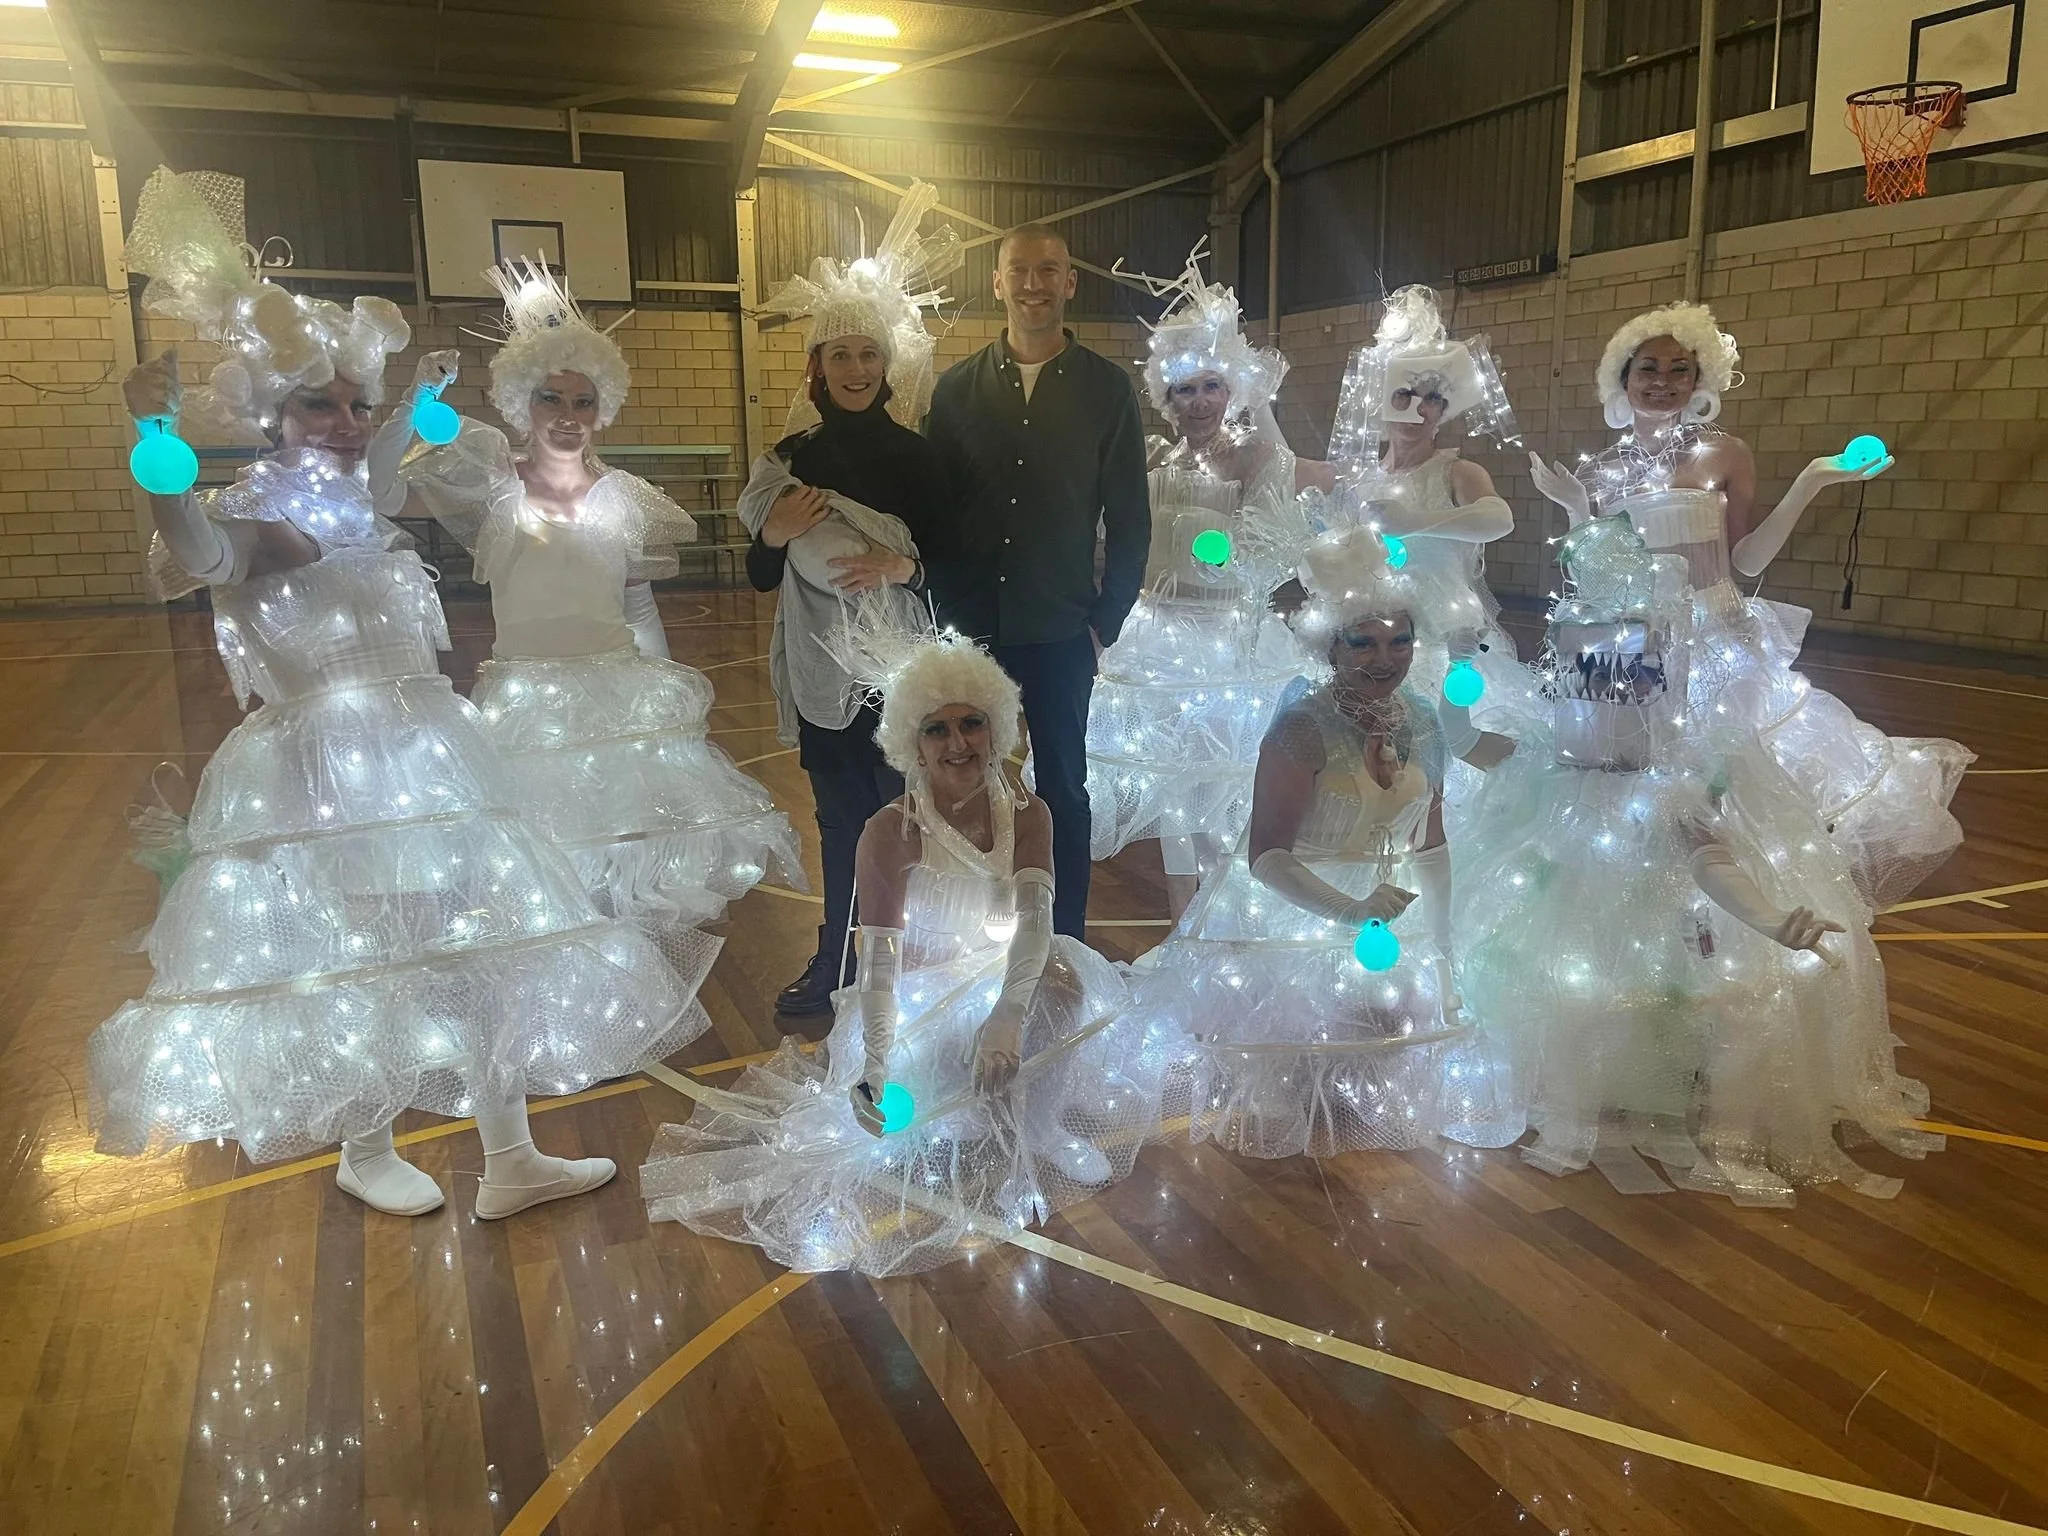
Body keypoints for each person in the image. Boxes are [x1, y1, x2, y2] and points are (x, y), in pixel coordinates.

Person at [88, 167, 691, 1218]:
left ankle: (510, 1157)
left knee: (478, 945)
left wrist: (407, 402)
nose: (337, 418)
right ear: (275, 411)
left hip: (425, 748)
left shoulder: (364, 506)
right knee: (356, 958)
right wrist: (153, 447)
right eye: (316, 402)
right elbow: (201, 553)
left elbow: (376, 473)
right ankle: (365, 1146)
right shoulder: (256, 510)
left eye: (350, 403)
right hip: (319, 770)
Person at [640, 609, 1156, 1276]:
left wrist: (1007, 1013)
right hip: (917, 1005)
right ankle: (965, 1113)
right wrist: (876, 1065)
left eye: (972, 722)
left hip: (1005, 978)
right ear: (911, 744)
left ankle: (1039, 1125)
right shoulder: (891, 831)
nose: (958, 743)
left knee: (1063, 976)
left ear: (998, 726)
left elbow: (1036, 923)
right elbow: (877, 964)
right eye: (936, 729)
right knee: (906, 1125)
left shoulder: (1029, 813)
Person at [1456, 514, 1942, 1203]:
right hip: (1582, 855)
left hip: (1642, 878)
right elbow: (1482, 750)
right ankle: (1599, 1073)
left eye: (1633, 680)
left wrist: (1770, 918)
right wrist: (1448, 706)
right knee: (1582, 971)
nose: (1612, 691)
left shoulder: (1671, 786)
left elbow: (1707, 857)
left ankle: (1651, 1074)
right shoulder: (1554, 769)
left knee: (1660, 978)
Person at [379, 261, 801, 972]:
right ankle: (559, 973)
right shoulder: (491, 483)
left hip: (615, 692)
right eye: (552, 399)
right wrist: (413, 399)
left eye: (582, 401)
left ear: (601, 409)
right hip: (526, 699)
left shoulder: (626, 497)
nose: (567, 417)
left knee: (623, 856)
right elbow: (383, 492)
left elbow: (636, 602)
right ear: (523, 403)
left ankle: (620, 974)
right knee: (541, 857)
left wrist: (663, 697)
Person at [1527, 301, 1972, 908]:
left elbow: (1748, 561)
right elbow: (1592, 578)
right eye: (1648, 368)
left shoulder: (1726, 453)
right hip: (1636, 647)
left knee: (1725, 781)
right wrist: (1578, 510)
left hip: (1715, 639)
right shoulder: (1601, 471)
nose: (1662, 383)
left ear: (1699, 378)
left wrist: (1812, 479)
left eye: (1678, 369)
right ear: (1622, 378)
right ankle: (1654, 899)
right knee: (1641, 780)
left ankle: (1734, 908)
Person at [1120, 526, 1522, 1160]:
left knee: (1402, 1046)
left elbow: (1432, 845)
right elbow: (1265, 856)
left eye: (1399, 642)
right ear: (1330, 647)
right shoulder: (1302, 727)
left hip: (1388, 915)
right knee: (1296, 1079)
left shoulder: (1421, 720)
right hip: (1292, 914)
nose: (1383, 659)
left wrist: (1443, 957)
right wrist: (1349, 911)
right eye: (1363, 642)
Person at [738, 183, 958, 1016]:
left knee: (904, 828)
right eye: (840, 356)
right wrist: (774, 534)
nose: (856, 370)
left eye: (868, 355)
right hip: (822, 678)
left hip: (899, 673)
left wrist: (900, 570)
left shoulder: (920, 459)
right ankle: (835, 963)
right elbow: (762, 578)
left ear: (886, 363)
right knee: (839, 828)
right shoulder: (790, 459)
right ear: (817, 367)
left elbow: (952, 563)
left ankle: (906, 971)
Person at [1082, 247, 1330, 917]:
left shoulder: (1251, 454)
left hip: (1226, 642)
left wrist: (1219, 552)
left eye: (1212, 387)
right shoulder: (1151, 454)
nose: (1198, 401)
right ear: (1166, 394)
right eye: (1185, 388)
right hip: (1154, 634)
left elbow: (1272, 544)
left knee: (1230, 786)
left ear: (1233, 392)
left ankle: (1229, 916)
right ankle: (1184, 920)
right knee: (1173, 798)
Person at [924, 223, 1151, 937]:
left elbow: (1130, 518)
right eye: (1018, 270)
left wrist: (1102, 621)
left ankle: (1064, 938)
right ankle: (968, 929)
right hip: (970, 627)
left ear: (1069, 282)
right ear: (996, 283)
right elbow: (933, 510)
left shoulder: (1106, 391)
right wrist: (938, 612)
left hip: (1060, 631)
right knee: (959, 784)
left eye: (1047, 270)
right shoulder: (957, 391)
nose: (1032, 283)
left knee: (1064, 790)